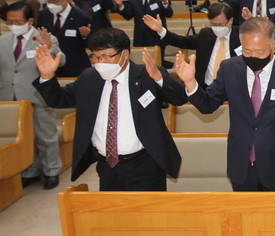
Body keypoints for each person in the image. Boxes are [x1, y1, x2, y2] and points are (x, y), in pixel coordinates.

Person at [175, 18, 275, 191]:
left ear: (273, 45)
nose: (253, 56)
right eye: (247, 51)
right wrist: (190, 83)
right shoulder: (229, 68)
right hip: (241, 164)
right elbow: (208, 105)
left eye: (259, 51)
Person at [33, 28, 187, 191]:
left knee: (146, 214)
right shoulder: (89, 77)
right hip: (107, 165)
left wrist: (158, 77)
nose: (100, 63)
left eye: (106, 57)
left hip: (145, 164)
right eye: (95, 57)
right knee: (111, 213)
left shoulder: (147, 74)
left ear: (125, 55)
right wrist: (47, 76)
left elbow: (179, 98)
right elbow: (58, 99)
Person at [1, 3, 63, 189]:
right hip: (10, 97)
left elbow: (61, 60)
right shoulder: (3, 40)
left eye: (17, 21)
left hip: (37, 95)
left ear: (30, 21)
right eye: (9, 21)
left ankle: (51, 171)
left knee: (45, 136)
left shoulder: (45, 39)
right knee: (23, 138)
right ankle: (30, 171)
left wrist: (49, 47)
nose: (13, 24)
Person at [146, 3, 239, 89]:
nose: (217, 28)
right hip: (207, 87)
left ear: (230, 20)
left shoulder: (241, 36)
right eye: (214, 24)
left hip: (234, 87)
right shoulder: (206, 34)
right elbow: (182, 41)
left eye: (220, 24)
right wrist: (161, 30)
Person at [37, 0, 91, 77]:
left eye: (55, 1)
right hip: (51, 66)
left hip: (74, 67)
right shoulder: (44, 14)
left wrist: (85, 36)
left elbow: (90, 44)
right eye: (48, 1)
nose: (51, 5)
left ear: (67, 0)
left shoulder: (80, 16)